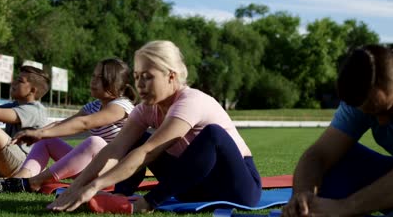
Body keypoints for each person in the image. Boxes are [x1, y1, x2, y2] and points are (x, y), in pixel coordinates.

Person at [47, 40, 261, 214]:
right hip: (190, 188)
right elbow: (114, 148)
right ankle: (120, 198)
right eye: (137, 77)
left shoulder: (191, 101)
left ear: (171, 76)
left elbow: (149, 152)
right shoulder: (146, 109)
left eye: (148, 77)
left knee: (213, 134)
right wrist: (77, 187)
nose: (140, 85)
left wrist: (94, 186)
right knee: (135, 139)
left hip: (237, 188)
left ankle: (146, 204)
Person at [282, 45, 393, 217]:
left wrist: (345, 207)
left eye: (387, 110)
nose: (382, 121)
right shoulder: (365, 96)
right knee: (335, 163)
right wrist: (302, 197)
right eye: (373, 114)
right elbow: (319, 154)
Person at [0, 58, 136, 193]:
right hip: (95, 168)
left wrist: (40, 133)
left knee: (95, 142)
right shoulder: (94, 105)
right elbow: (62, 124)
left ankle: (34, 182)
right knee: (47, 140)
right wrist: (40, 133)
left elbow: (84, 123)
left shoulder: (122, 105)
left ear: (115, 83)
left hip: (117, 173)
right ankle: (18, 181)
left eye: (100, 77)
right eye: (93, 76)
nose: (93, 81)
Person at [0, 65, 49, 180]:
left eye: (20, 81)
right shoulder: (15, 105)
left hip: (25, 166)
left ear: (32, 90)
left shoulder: (34, 110)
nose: (13, 83)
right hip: (8, 162)